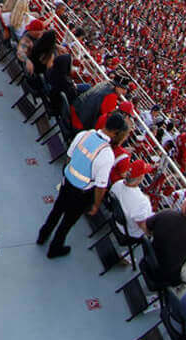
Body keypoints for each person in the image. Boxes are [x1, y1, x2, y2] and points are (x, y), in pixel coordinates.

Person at [36, 111, 131, 259]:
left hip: (67, 181)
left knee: (56, 210)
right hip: (81, 193)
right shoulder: (106, 154)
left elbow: (69, 156)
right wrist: (96, 205)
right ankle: (54, 248)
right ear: (116, 132)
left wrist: (70, 176)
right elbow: (100, 186)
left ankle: (42, 236)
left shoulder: (84, 134)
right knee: (67, 222)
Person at [108, 159, 156, 238]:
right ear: (140, 177)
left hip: (115, 219)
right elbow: (145, 229)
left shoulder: (117, 184)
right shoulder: (142, 202)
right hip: (128, 231)